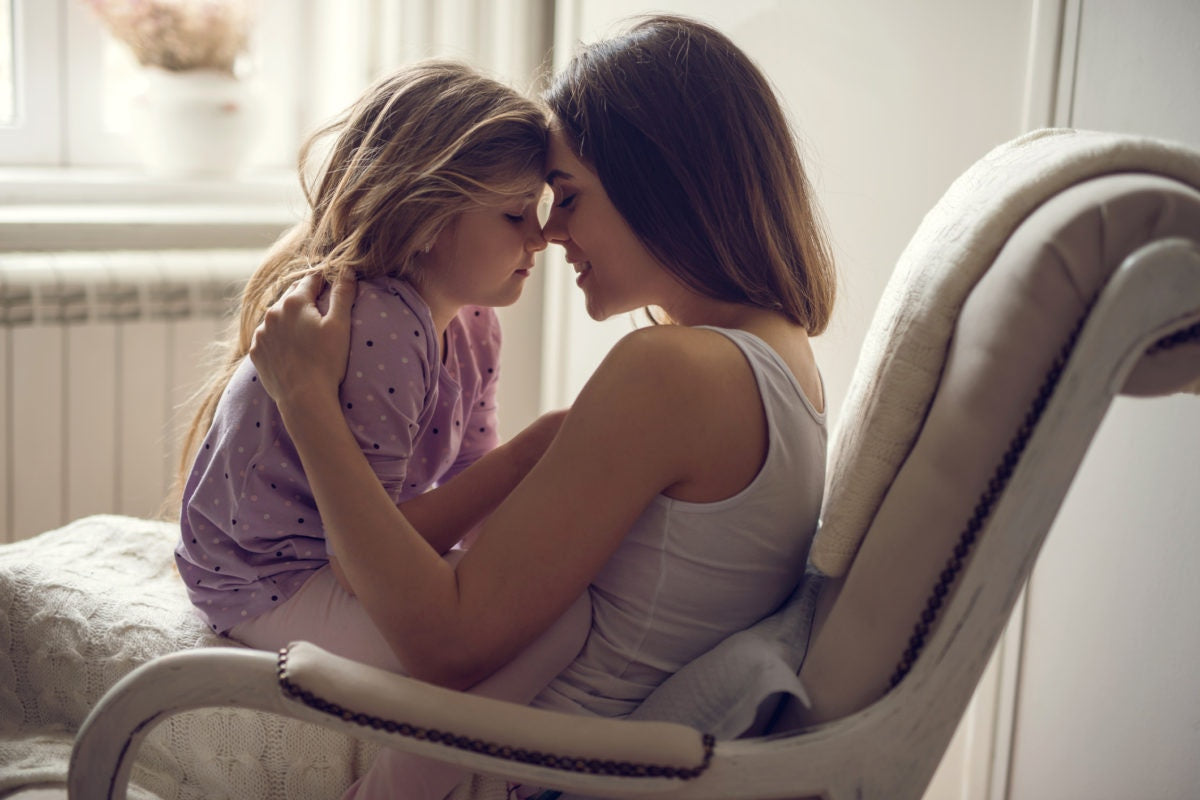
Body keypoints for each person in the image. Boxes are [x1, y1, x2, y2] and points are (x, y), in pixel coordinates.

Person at [249, 14, 836, 799]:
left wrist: (304, 397)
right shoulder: (785, 359)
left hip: (523, 775)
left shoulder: (674, 371)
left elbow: (443, 646)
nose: (550, 231)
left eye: (567, 195)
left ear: (655, 184)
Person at [173, 60, 593, 800]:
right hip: (267, 582)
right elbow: (364, 552)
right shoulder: (380, 324)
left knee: (539, 604)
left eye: (543, 208)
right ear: (431, 220)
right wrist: (539, 451)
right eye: (513, 214)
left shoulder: (474, 327)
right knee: (541, 634)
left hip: (330, 553)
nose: (542, 237)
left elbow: (464, 486)